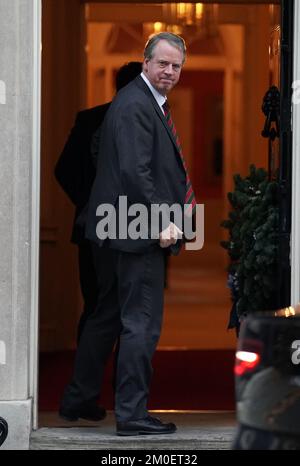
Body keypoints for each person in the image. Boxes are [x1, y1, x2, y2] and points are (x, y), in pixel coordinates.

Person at [60, 32, 195, 435]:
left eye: (176, 66)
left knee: (109, 314)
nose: (169, 71)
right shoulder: (137, 104)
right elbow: (138, 172)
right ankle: (132, 414)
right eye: (163, 63)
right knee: (142, 321)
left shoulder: (140, 101)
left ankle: (78, 398)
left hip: (119, 228)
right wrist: (162, 222)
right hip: (137, 231)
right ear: (145, 62)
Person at [54, 62, 142, 344]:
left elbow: (64, 170)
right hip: (127, 229)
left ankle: (86, 382)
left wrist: (88, 203)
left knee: (96, 306)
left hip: (98, 225)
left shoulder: (90, 119)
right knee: (127, 310)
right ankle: (118, 384)